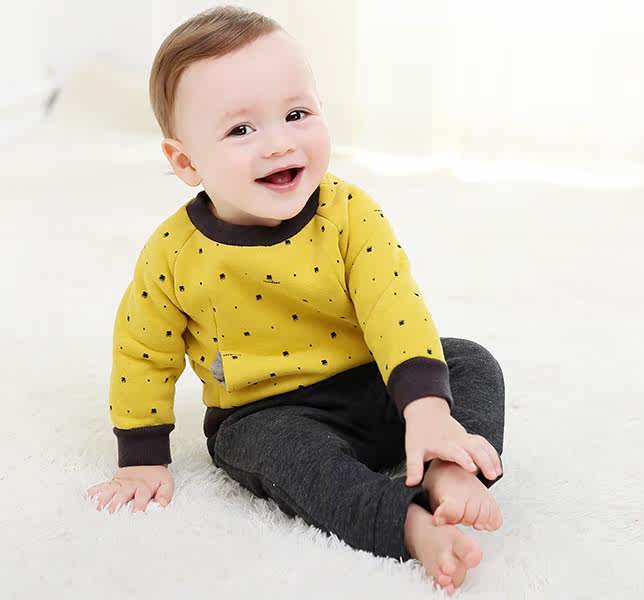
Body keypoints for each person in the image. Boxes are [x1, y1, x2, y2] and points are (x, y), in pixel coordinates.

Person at [86, 5, 505, 595]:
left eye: (297, 114)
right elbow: (142, 350)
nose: (279, 143)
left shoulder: (350, 214)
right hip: (268, 413)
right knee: (291, 459)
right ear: (185, 161)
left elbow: (394, 305)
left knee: (469, 361)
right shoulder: (174, 255)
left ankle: (447, 466)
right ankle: (407, 525)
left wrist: (427, 409)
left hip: (375, 385)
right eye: (241, 130)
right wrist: (142, 455)